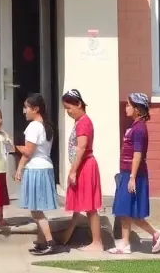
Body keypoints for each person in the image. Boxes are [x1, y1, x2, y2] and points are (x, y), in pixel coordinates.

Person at [109, 93, 160, 255]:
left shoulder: (139, 128)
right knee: (123, 210)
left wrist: (132, 177)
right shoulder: (134, 126)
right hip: (126, 173)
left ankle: (156, 233)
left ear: (137, 108)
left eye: (128, 105)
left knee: (132, 212)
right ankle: (125, 244)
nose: (125, 107)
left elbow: (138, 154)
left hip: (134, 175)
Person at [55, 89, 103, 252]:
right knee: (81, 202)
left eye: (69, 108)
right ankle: (68, 233)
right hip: (81, 165)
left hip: (85, 166)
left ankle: (97, 242)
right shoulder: (80, 122)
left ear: (79, 104)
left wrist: (73, 170)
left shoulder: (84, 122)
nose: (68, 112)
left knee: (90, 206)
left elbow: (81, 147)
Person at [14, 92, 58, 256]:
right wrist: (20, 168)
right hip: (45, 167)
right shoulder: (46, 126)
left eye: (26, 108)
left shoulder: (33, 127)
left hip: (36, 169)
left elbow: (28, 151)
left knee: (35, 209)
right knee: (37, 207)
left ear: (36, 109)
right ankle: (41, 241)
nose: (24, 111)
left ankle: (49, 241)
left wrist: (12, 146)